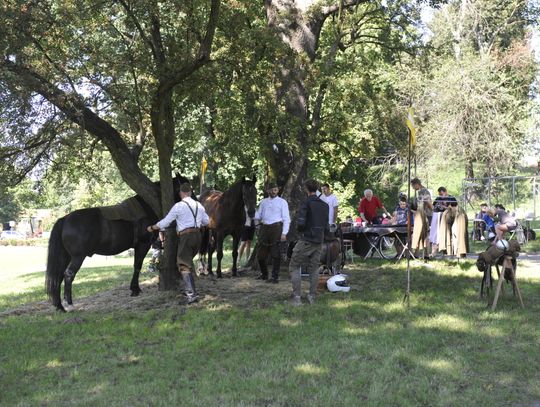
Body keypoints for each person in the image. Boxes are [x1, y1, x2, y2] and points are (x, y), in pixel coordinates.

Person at [147, 183, 209, 304]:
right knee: (187, 262)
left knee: (183, 264)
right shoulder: (199, 205)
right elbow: (206, 221)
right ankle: (190, 291)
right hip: (197, 236)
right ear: (190, 193)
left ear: (181, 193)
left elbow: (166, 222)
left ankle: (191, 295)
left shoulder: (179, 206)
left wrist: (153, 227)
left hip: (186, 236)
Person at [288, 179, 329, 306]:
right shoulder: (324, 205)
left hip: (306, 239)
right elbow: (326, 226)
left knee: (294, 266)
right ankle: (312, 296)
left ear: (306, 189)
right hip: (319, 240)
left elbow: (300, 223)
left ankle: (297, 298)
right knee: (314, 268)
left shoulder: (305, 203)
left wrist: (301, 230)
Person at [254, 182, 291, 283]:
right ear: (268, 191)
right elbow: (257, 216)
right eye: (271, 190)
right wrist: (257, 226)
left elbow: (286, 219)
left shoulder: (282, 202)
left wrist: (284, 233)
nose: (273, 191)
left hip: (276, 228)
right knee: (260, 255)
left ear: (277, 190)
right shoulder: (263, 202)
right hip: (264, 228)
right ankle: (264, 274)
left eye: (275, 189)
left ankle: (275, 277)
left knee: (276, 254)